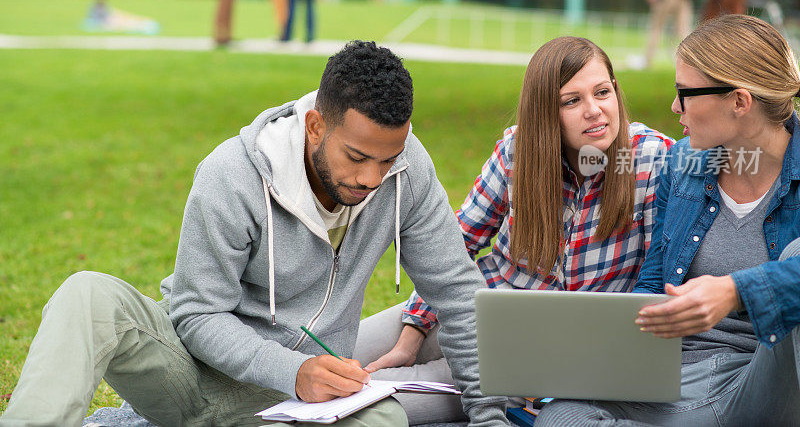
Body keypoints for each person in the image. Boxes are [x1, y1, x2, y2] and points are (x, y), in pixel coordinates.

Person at [0, 41, 509, 427]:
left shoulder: (408, 173)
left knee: (385, 419)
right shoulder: (232, 174)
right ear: (315, 127)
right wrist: (290, 369)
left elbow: (456, 295)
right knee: (88, 295)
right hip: (187, 377)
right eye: (356, 157)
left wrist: (490, 419)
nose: (372, 178)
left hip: (300, 405)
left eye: (387, 159)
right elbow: (197, 314)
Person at [353, 36, 674, 424]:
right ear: (545, 112)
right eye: (571, 101)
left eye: (602, 92)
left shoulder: (655, 161)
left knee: (364, 400)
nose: (594, 110)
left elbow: (658, 287)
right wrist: (414, 330)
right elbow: (454, 247)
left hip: (536, 359)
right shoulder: (517, 152)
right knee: (334, 352)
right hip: (476, 308)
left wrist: (561, 378)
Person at [537, 15, 800, 426]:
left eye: (685, 93)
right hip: (673, 372)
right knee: (559, 415)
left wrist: (734, 291)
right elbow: (652, 283)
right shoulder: (683, 164)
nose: (674, 107)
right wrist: (584, 356)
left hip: (764, 381)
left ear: (739, 101)